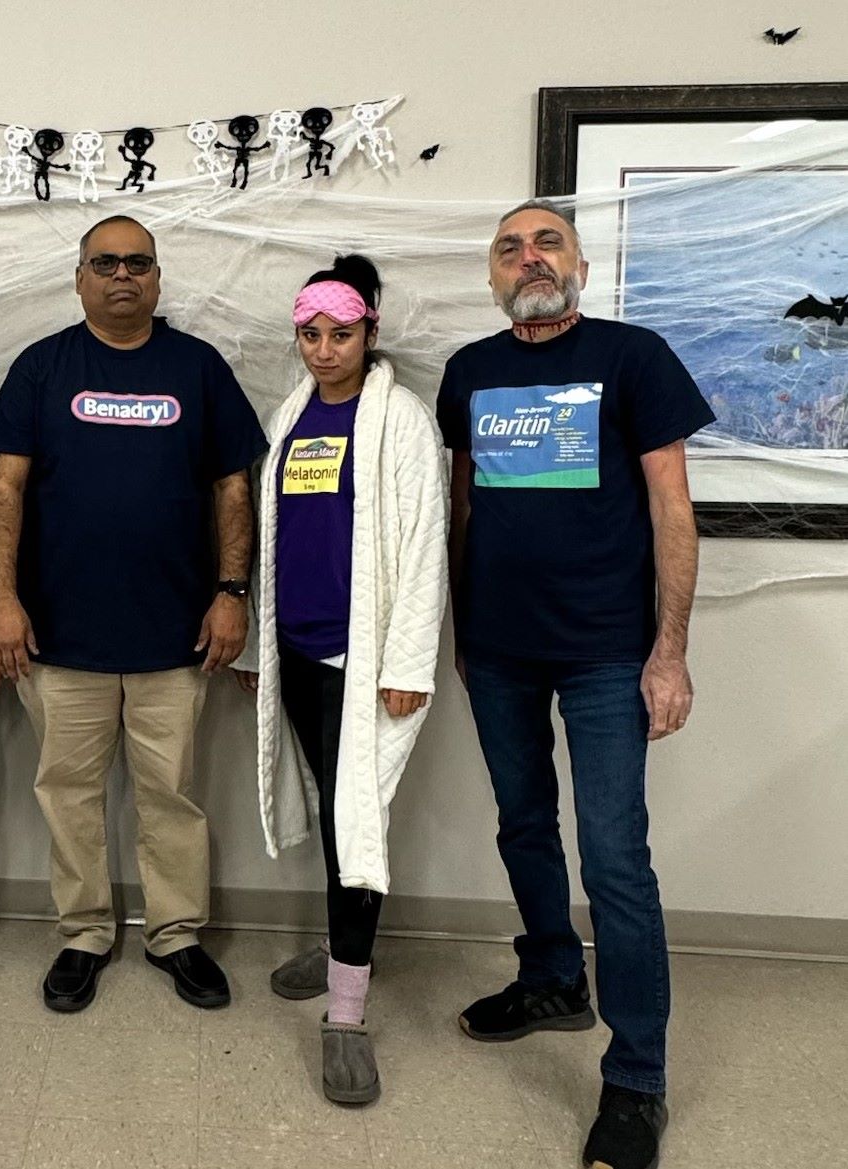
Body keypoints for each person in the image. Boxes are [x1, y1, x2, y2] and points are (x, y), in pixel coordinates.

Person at [436, 200, 714, 1169]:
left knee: (614, 860)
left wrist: (668, 650)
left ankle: (636, 1077)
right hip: (501, 651)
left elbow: (673, 509)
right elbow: (463, 505)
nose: (529, 257)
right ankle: (553, 974)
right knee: (520, 823)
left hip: (606, 650)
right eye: (510, 247)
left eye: (546, 239)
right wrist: (463, 632)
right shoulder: (470, 372)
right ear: (492, 276)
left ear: (581, 262)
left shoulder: (635, 358)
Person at [0, 214, 268, 1013]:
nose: (122, 275)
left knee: (170, 794)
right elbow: (3, 488)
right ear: (79, 278)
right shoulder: (42, 367)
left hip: (176, 634)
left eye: (138, 263)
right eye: (104, 262)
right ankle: (84, 932)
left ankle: (175, 933)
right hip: (58, 634)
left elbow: (232, 487)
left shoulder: (198, 368)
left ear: (157, 279)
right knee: (66, 791)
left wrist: (233, 592)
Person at [232, 255, 448, 1105]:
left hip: (364, 665)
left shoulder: (400, 421)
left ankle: (348, 1016)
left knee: (358, 819)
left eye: (342, 333)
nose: (325, 350)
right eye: (311, 335)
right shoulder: (291, 414)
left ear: (371, 331)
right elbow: (274, 538)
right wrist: (261, 651)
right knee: (335, 808)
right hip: (298, 651)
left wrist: (405, 665)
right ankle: (341, 941)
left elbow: (426, 549)